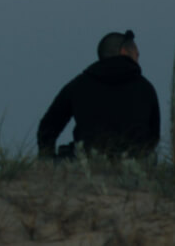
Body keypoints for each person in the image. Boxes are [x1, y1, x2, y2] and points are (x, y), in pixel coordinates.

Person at [37, 30, 160, 159]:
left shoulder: (79, 85)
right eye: (137, 55)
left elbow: (48, 126)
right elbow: (153, 137)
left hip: (84, 165)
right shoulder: (145, 88)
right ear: (124, 52)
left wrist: (47, 160)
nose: (138, 61)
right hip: (133, 167)